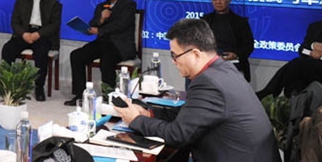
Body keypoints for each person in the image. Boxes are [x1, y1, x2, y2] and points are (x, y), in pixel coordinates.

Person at [117, 19, 278, 162]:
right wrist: (149, 114)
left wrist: (136, 120)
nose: (173, 62)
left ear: (195, 54)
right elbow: (191, 113)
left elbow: (177, 135)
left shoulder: (209, 82)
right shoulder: (223, 69)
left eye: (175, 56)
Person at [66, 0, 136, 105]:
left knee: (106, 59)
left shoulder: (128, 4)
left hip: (120, 46)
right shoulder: (101, 6)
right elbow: (93, 23)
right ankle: (80, 95)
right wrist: (101, 19)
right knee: (76, 55)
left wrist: (99, 30)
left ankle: (109, 97)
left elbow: (121, 25)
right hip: (102, 43)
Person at [1, 0, 62, 102]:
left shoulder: (53, 3)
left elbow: (55, 25)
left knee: (41, 53)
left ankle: (39, 87)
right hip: (24, 33)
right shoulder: (21, 0)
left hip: (42, 35)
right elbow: (14, 22)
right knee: (8, 49)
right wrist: (23, 34)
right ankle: (8, 83)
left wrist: (38, 34)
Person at [202, 0, 254, 81]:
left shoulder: (240, 22)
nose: (218, 2)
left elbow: (249, 45)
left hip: (233, 63)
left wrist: (236, 55)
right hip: (210, 63)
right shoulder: (205, 21)